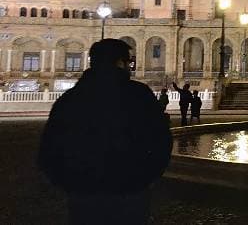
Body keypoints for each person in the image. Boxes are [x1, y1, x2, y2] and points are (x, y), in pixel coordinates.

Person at [38, 39, 172, 224]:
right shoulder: (138, 95)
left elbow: (49, 148)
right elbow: (161, 140)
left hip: (83, 192)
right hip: (129, 189)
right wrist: (146, 178)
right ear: (121, 62)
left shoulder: (70, 99)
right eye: (129, 63)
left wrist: (69, 183)